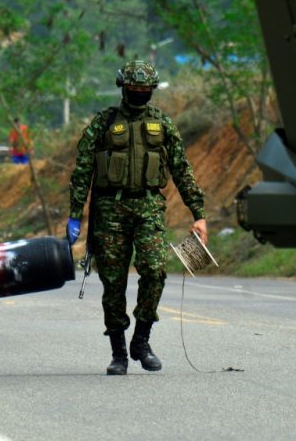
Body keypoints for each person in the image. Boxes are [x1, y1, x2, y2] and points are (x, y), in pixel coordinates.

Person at [67, 60, 208, 375]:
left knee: (155, 271)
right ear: (123, 88)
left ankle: (141, 340)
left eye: (146, 90)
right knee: (113, 284)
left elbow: (182, 169)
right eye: (135, 89)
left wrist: (198, 214)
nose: (140, 94)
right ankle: (118, 352)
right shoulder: (103, 123)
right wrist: (75, 214)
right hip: (110, 211)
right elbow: (82, 169)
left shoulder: (162, 124)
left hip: (148, 208)